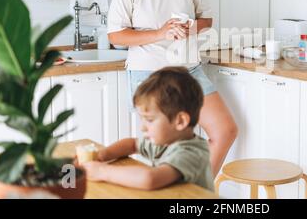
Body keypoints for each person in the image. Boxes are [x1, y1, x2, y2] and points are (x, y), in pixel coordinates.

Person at [107, 0, 237, 176]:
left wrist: (191, 27)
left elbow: (206, 19)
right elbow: (116, 36)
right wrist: (160, 32)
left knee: (225, 131)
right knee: (168, 152)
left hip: (189, 70)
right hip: (150, 75)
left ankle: (196, 192)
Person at [80, 67, 214, 191]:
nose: (142, 127)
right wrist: (101, 156)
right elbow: (131, 144)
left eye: (149, 120)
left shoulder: (191, 153)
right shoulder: (166, 141)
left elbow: (150, 179)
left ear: (180, 121)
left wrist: (102, 171)